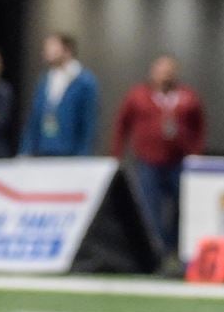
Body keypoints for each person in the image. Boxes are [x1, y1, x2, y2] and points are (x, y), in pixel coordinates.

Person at [112, 55, 206, 254]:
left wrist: (196, 153)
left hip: (179, 161)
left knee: (182, 206)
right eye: (161, 70)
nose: (165, 75)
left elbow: (199, 126)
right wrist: (117, 154)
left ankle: (175, 247)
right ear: (152, 72)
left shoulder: (187, 96)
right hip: (148, 161)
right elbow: (122, 125)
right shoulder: (138, 95)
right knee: (150, 207)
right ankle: (156, 250)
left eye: (169, 71)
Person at [19, 33, 99, 157]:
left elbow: (89, 121)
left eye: (52, 47)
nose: (46, 52)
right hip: (43, 149)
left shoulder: (84, 81)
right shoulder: (45, 80)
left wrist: (84, 153)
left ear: (67, 50)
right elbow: (34, 118)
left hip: (70, 152)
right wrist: (26, 149)